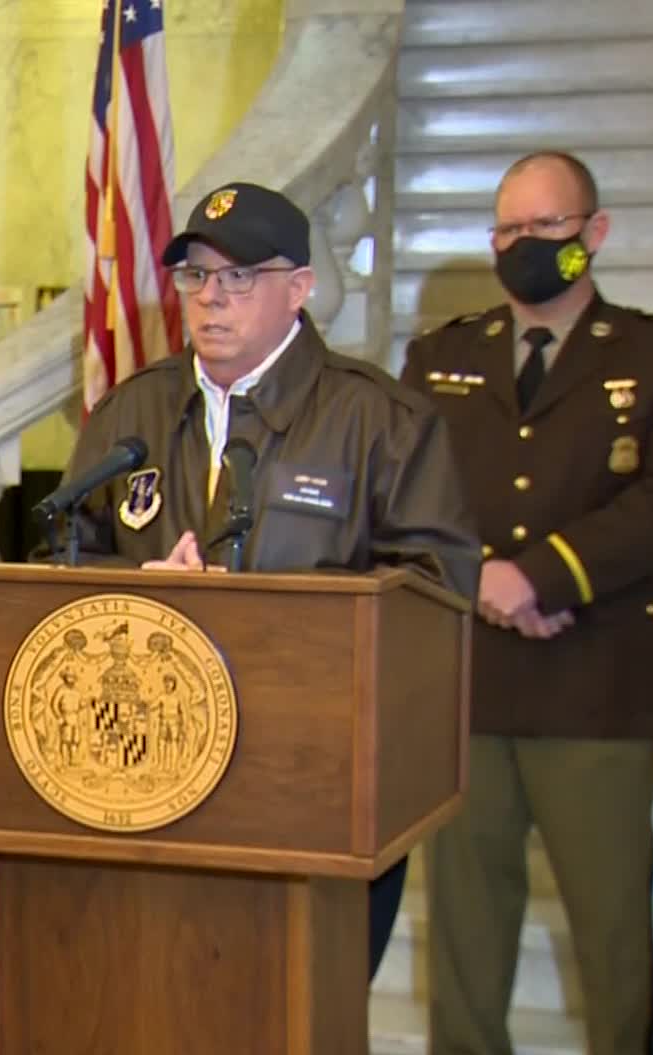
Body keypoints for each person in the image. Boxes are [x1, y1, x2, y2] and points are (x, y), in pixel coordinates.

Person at [58, 180, 481, 980]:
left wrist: (270, 617)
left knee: (294, 1023)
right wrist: (142, 587)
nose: (212, 299)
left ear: (302, 289)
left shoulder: (382, 423)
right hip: (148, 781)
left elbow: (437, 596)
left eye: (241, 277)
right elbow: (63, 559)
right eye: (196, 277)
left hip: (314, 788)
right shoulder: (131, 413)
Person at [404, 150, 653, 1055]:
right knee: (467, 941)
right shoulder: (441, 358)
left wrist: (541, 576)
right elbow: (413, 498)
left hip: (600, 693)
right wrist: (481, 583)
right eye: (507, 230)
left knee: (614, 935)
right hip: (473, 688)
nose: (524, 247)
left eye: (546, 229)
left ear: (595, 233)